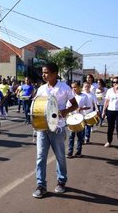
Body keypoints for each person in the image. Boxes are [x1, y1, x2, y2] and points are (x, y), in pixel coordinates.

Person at [32, 62, 78, 198]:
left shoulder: (64, 88)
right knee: (40, 157)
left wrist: (65, 111)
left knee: (60, 157)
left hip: (58, 128)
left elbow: (74, 105)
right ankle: (41, 185)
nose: (43, 75)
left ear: (54, 73)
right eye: (43, 72)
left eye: (46, 72)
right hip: (42, 128)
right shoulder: (41, 89)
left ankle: (61, 181)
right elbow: (36, 106)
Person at [102, 76, 118, 153]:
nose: (115, 84)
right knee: (110, 128)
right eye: (113, 82)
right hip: (110, 111)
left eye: (116, 82)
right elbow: (106, 101)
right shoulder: (109, 90)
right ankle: (109, 141)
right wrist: (103, 111)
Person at [66, 81, 90, 158]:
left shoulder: (84, 96)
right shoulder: (71, 97)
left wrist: (81, 108)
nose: (73, 89)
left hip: (80, 119)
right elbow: (67, 106)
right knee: (71, 136)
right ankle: (70, 152)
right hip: (72, 119)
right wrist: (69, 112)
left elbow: (89, 106)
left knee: (80, 136)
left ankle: (78, 152)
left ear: (79, 87)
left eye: (75, 87)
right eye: (72, 87)